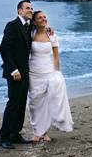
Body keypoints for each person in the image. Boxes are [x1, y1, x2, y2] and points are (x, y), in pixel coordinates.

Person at [27, 10, 73, 142]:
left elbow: (56, 56)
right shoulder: (31, 34)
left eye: (45, 17)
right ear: (34, 21)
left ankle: (44, 132)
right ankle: (37, 132)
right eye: (40, 18)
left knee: (47, 102)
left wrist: (57, 73)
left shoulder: (52, 35)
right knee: (34, 103)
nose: (43, 19)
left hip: (49, 72)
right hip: (34, 73)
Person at [0, 0, 35, 149]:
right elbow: (5, 49)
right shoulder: (12, 25)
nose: (30, 10)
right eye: (27, 8)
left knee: (21, 104)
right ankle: (4, 138)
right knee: (13, 104)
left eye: (31, 8)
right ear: (19, 11)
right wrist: (14, 70)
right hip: (15, 73)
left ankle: (15, 134)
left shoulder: (29, 26)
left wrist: (49, 29)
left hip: (25, 71)